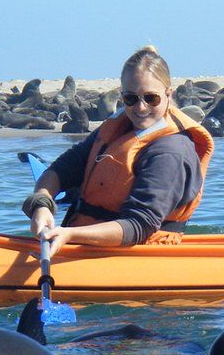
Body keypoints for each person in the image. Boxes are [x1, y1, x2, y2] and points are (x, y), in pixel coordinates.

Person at [23, 46, 213, 255]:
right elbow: (61, 169)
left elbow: (139, 225)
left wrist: (70, 235)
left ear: (169, 94)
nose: (140, 107)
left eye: (151, 98)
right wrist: (42, 203)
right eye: (131, 98)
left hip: (137, 253)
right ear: (122, 97)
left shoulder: (171, 152)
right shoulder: (114, 130)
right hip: (85, 244)